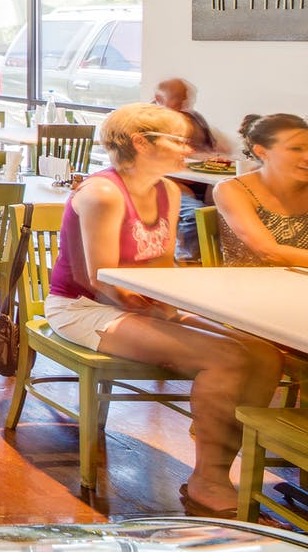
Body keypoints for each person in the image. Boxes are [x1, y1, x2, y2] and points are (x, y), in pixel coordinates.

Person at [45, 103, 281, 517]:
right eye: (179, 140)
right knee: (224, 358)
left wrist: (171, 307)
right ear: (141, 142)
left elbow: (160, 266)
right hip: (82, 308)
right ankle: (208, 479)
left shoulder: (168, 191)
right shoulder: (102, 193)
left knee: (265, 355)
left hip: (139, 305)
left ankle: (222, 448)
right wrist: (163, 312)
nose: (188, 149)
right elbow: (99, 279)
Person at [213, 113, 308, 267]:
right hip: (250, 280)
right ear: (261, 152)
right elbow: (270, 252)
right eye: (296, 149)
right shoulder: (232, 189)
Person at [155, 77, 230, 261]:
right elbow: (153, 165)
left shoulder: (194, 118)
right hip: (164, 182)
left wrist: (215, 156)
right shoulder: (152, 122)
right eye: (177, 97)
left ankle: (211, 259)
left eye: (186, 96)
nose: (184, 102)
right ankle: (185, 261)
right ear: (159, 98)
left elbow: (211, 148)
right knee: (196, 215)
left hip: (199, 182)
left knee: (228, 211)